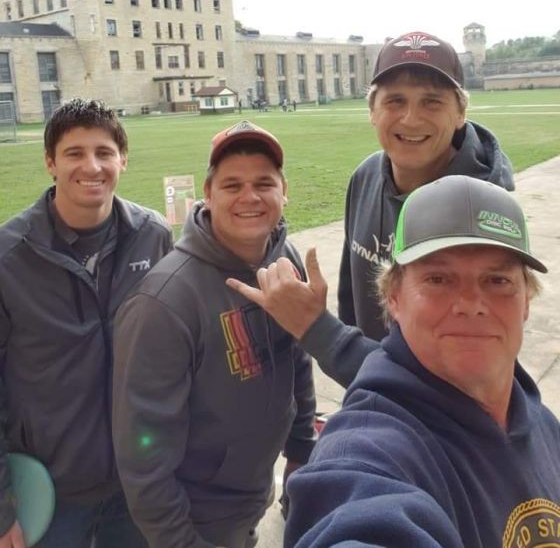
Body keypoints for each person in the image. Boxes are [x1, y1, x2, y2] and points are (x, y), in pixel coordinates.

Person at [284, 175, 560, 548]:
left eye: (497, 280)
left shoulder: (539, 420)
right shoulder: (369, 452)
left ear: (526, 300)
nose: (471, 304)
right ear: (393, 297)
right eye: (438, 279)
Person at [112, 120, 316, 548]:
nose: (249, 197)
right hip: (196, 520)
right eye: (232, 185)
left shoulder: (285, 259)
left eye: (264, 183)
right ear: (207, 194)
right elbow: (143, 456)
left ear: (284, 191)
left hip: (251, 495)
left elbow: (297, 357)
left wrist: (301, 448)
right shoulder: (164, 303)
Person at [0, 98, 173, 548]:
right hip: (51, 490)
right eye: (74, 153)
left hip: (138, 482)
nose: (91, 166)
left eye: (104, 152)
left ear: (123, 160)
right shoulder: (8, 257)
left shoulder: (153, 236)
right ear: (50, 162)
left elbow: (176, 352)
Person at [339, 31, 514, 340]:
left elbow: (462, 354)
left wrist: (322, 334)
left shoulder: (485, 211)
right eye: (395, 101)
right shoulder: (365, 177)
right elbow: (350, 298)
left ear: (461, 113)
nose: (410, 119)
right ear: (372, 112)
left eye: (432, 102)